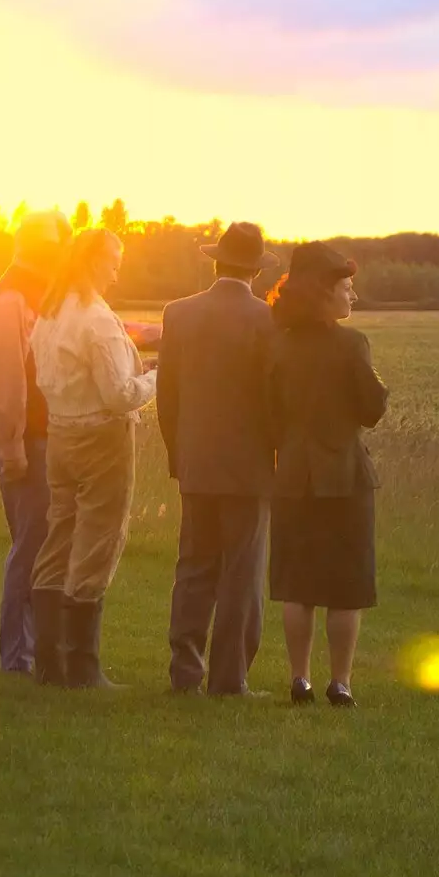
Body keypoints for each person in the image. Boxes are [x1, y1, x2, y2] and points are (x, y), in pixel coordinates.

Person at [28, 229, 158, 688]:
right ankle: (82, 666)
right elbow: (120, 394)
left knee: (59, 534)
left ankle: (48, 660)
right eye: (113, 260)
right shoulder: (97, 318)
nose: (118, 269)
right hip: (103, 437)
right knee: (100, 538)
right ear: (93, 261)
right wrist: (157, 378)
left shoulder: (50, 311)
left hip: (61, 433)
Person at [158, 222, 280, 697]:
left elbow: (167, 395)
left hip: (195, 461)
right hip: (249, 467)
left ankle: (185, 673)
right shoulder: (267, 319)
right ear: (256, 270)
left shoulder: (179, 313)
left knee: (193, 568)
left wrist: (178, 454)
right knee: (241, 575)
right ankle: (230, 679)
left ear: (216, 262)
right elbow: (274, 398)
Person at [266, 242, 389, 708]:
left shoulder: (277, 343)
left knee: (298, 585)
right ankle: (340, 682)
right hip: (345, 477)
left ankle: (300, 679)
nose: (352, 296)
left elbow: (268, 412)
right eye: (347, 287)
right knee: (346, 585)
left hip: (293, 475)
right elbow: (371, 409)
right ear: (325, 292)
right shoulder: (351, 344)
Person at [0, 210, 71, 675]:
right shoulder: (10, 301)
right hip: (26, 442)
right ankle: (17, 656)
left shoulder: (44, 296)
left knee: (43, 545)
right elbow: (5, 381)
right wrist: (12, 445)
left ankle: (35, 650)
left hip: (47, 439)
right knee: (31, 545)